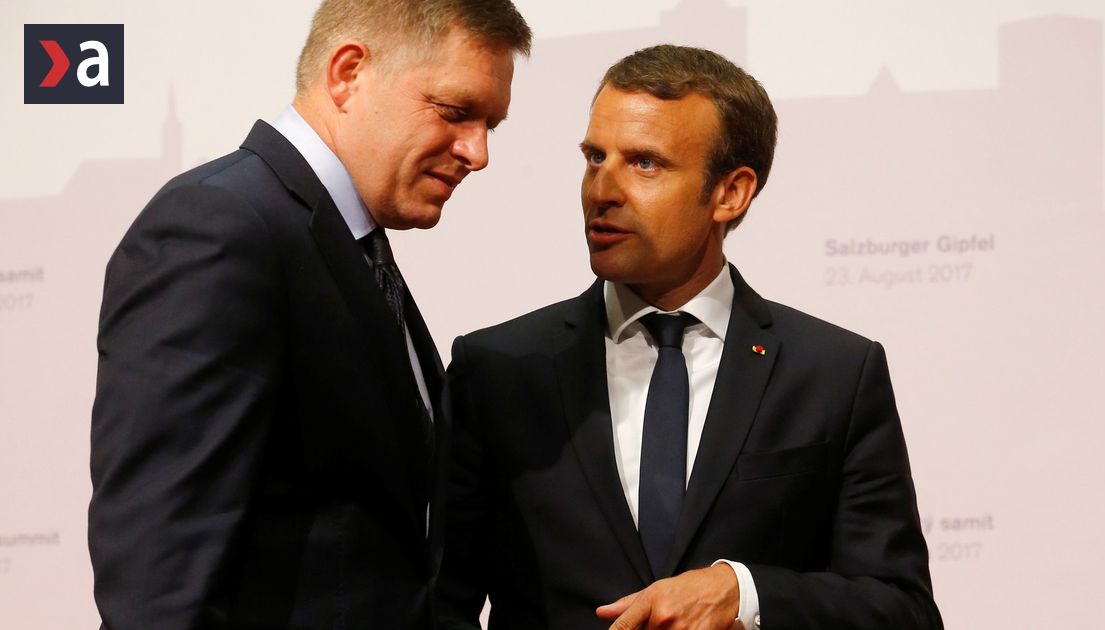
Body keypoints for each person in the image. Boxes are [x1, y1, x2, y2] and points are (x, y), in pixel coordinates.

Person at [436, 45, 942, 629]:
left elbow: (902, 610)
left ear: (730, 193)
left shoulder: (834, 374)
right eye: (595, 157)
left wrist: (746, 594)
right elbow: (438, 605)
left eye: (645, 163)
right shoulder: (496, 370)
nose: (602, 190)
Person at [88, 2, 530, 628]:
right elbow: (160, 576)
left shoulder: (347, 244)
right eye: (455, 111)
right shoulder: (219, 228)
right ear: (348, 74)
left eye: (491, 125)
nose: (477, 152)